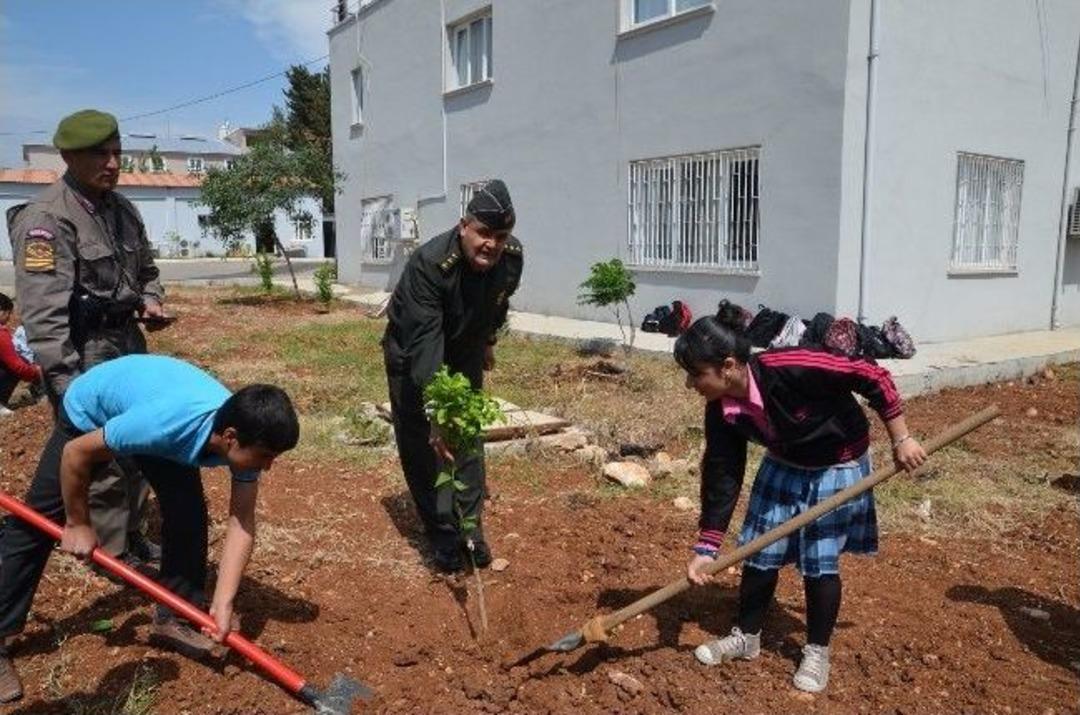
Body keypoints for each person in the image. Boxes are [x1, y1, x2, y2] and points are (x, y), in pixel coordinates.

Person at [0, 354, 299, 702]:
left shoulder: (234, 436)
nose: (270, 467)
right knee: (33, 525)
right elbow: (75, 453)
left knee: (187, 514)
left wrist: (223, 601)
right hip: (92, 410)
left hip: (156, 406)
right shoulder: (162, 426)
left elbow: (241, 521)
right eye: (265, 456)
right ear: (230, 438)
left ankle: (175, 615)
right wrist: (78, 522)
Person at [676, 308, 927, 693]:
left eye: (696, 374)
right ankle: (747, 636)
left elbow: (871, 374)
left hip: (836, 462)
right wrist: (707, 546)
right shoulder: (722, 409)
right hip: (785, 462)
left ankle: (817, 650)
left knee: (819, 561)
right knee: (759, 553)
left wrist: (901, 438)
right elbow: (722, 473)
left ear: (727, 366)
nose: (690, 384)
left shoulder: (792, 364)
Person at [6, 109, 169, 565]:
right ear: (68, 156)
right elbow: (42, 314)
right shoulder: (46, 219)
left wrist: (150, 301)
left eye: (118, 153)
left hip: (128, 342)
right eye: (101, 154)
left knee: (135, 445)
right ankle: (113, 553)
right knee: (102, 457)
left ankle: (130, 536)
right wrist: (66, 382)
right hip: (85, 352)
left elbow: (148, 272)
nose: (114, 163)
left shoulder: (123, 209)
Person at [382, 179, 523, 573]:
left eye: (500, 235)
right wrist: (436, 414)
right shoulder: (429, 264)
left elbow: (497, 303)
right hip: (412, 354)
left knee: (468, 439)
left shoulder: (510, 257)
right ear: (464, 226)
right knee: (427, 446)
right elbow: (425, 343)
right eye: (483, 233)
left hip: (465, 351)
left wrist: (489, 340)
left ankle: (471, 528)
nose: (491, 245)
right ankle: (443, 534)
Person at [0, 294, 43, 416]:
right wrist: (36, 372)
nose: (9, 317)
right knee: (14, 364)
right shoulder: (1, 335)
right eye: (9, 313)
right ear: (1, 311)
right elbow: (18, 367)